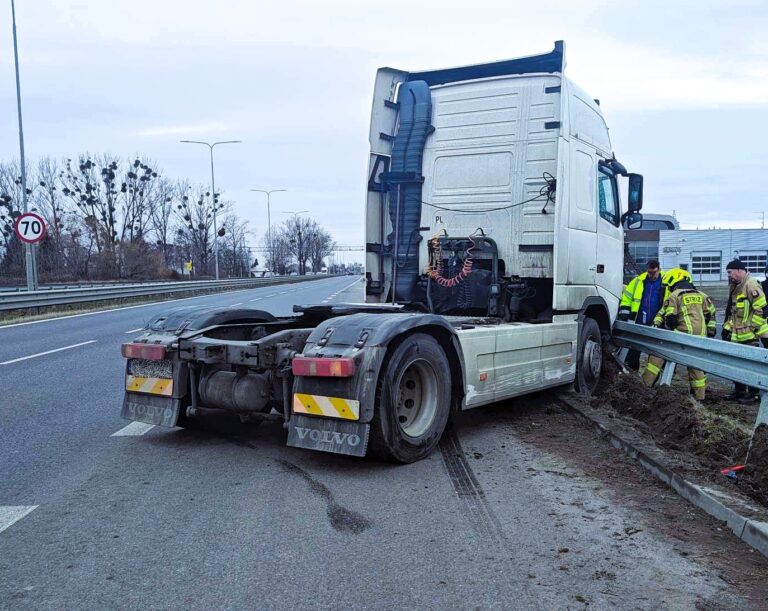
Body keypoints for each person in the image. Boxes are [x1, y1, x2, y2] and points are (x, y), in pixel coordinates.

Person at [641, 268, 716, 400]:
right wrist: (709, 333)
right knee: (696, 366)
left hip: (680, 336)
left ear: (672, 283)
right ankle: (699, 397)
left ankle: (646, 386)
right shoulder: (703, 295)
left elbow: (670, 316)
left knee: (656, 357)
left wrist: (660, 326)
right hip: (699, 338)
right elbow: (710, 315)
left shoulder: (675, 295)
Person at [722, 259, 768, 404]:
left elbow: (763, 309)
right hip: (737, 333)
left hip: (749, 334)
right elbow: (733, 310)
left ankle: (754, 394)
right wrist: (726, 328)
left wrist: (753, 328)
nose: (729, 276)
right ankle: (739, 391)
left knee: (750, 364)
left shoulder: (751, 284)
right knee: (736, 363)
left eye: (730, 272)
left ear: (739, 270)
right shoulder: (736, 286)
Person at [618, 260, 666, 371]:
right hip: (638, 320)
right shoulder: (638, 281)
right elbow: (627, 297)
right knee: (634, 349)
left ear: (659, 269)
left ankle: (651, 377)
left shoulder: (665, 282)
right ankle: (632, 372)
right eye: (649, 272)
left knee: (655, 352)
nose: (651, 275)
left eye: (654, 272)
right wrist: (625, 312)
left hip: (658, 322)